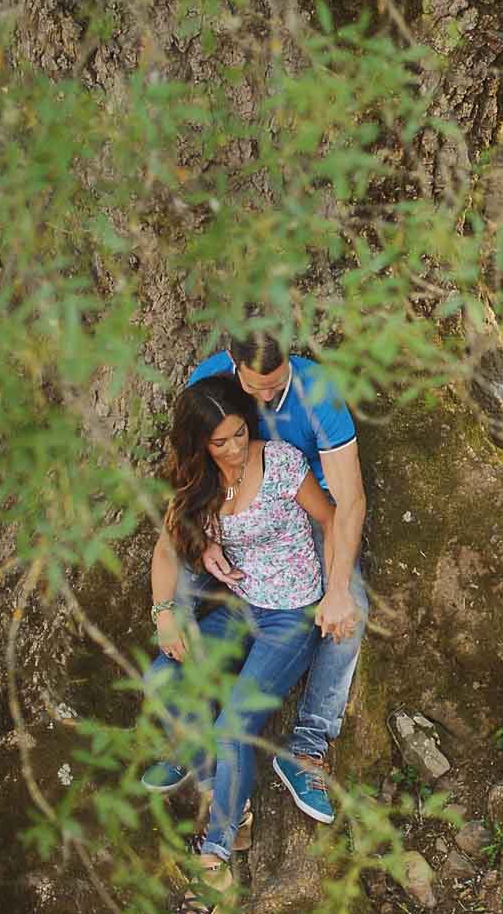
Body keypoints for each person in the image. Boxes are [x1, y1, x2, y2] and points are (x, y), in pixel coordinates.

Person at [143, 377, 332, 914]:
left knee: (232, 729)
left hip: (292, 616)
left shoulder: (280, 464)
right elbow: (164, 548)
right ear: (199, 442)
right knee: (162, 679)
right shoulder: (196, 481)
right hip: (243, 608)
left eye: (239, 434)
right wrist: (164, 614)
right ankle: (223, 795)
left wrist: (339, 590)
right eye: (219, 441)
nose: (231, 449)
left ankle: (216, 859)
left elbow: (331, 517)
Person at [157, 330, 368, 826]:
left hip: (302, 505)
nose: (268, 398)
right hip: (227, 508)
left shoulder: (318, 393)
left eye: (277, 386)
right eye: (257, 390)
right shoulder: (208, 381)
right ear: (233, 366)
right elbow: (188, 471)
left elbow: (348, 502)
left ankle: (307, 746)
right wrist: (201, 538)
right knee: (177, 575)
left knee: (352, 606)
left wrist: (336, 590)